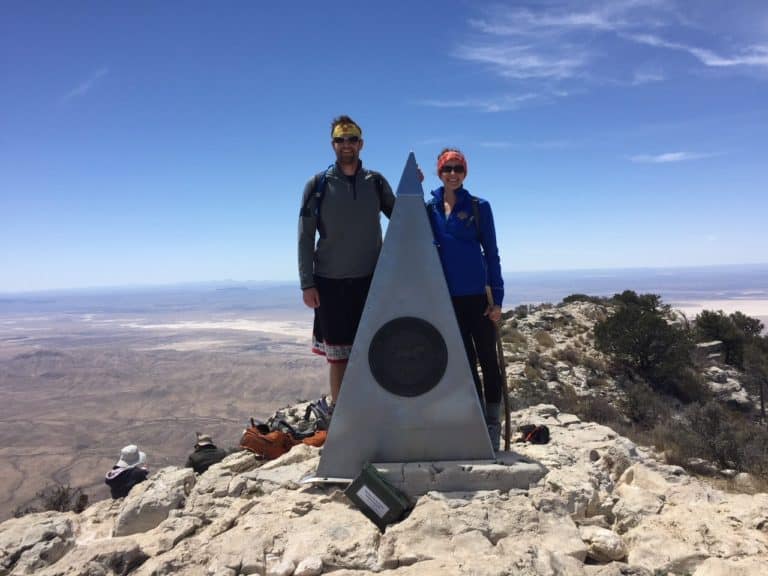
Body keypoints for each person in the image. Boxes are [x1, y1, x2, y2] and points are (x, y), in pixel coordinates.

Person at [298, 115, 395, 404]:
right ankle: (341, 419)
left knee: (375, 350)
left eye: (352, 139)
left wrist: (413, 189)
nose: (346, 145)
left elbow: (403, 219)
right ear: (333, 145)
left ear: (361, 144)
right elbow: (305, 236)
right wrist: (307, 283)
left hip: (371, 282)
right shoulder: (318, 185)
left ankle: (373, 413)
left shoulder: (375, 182)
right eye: (340, 140)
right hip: (330, 283)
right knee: (338, 358)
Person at [426, 148, 505, 451]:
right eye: (448, 169)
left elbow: (492, 253)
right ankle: (474, 420)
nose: (453, 174)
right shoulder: (429, 208)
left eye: (458, 168)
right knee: (464, 363)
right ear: (440, 172)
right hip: (447, 300)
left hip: (478, 297)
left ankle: (492, 423)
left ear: (465, 172)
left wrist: (497, 298)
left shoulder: (478, 206)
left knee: (488, 359)